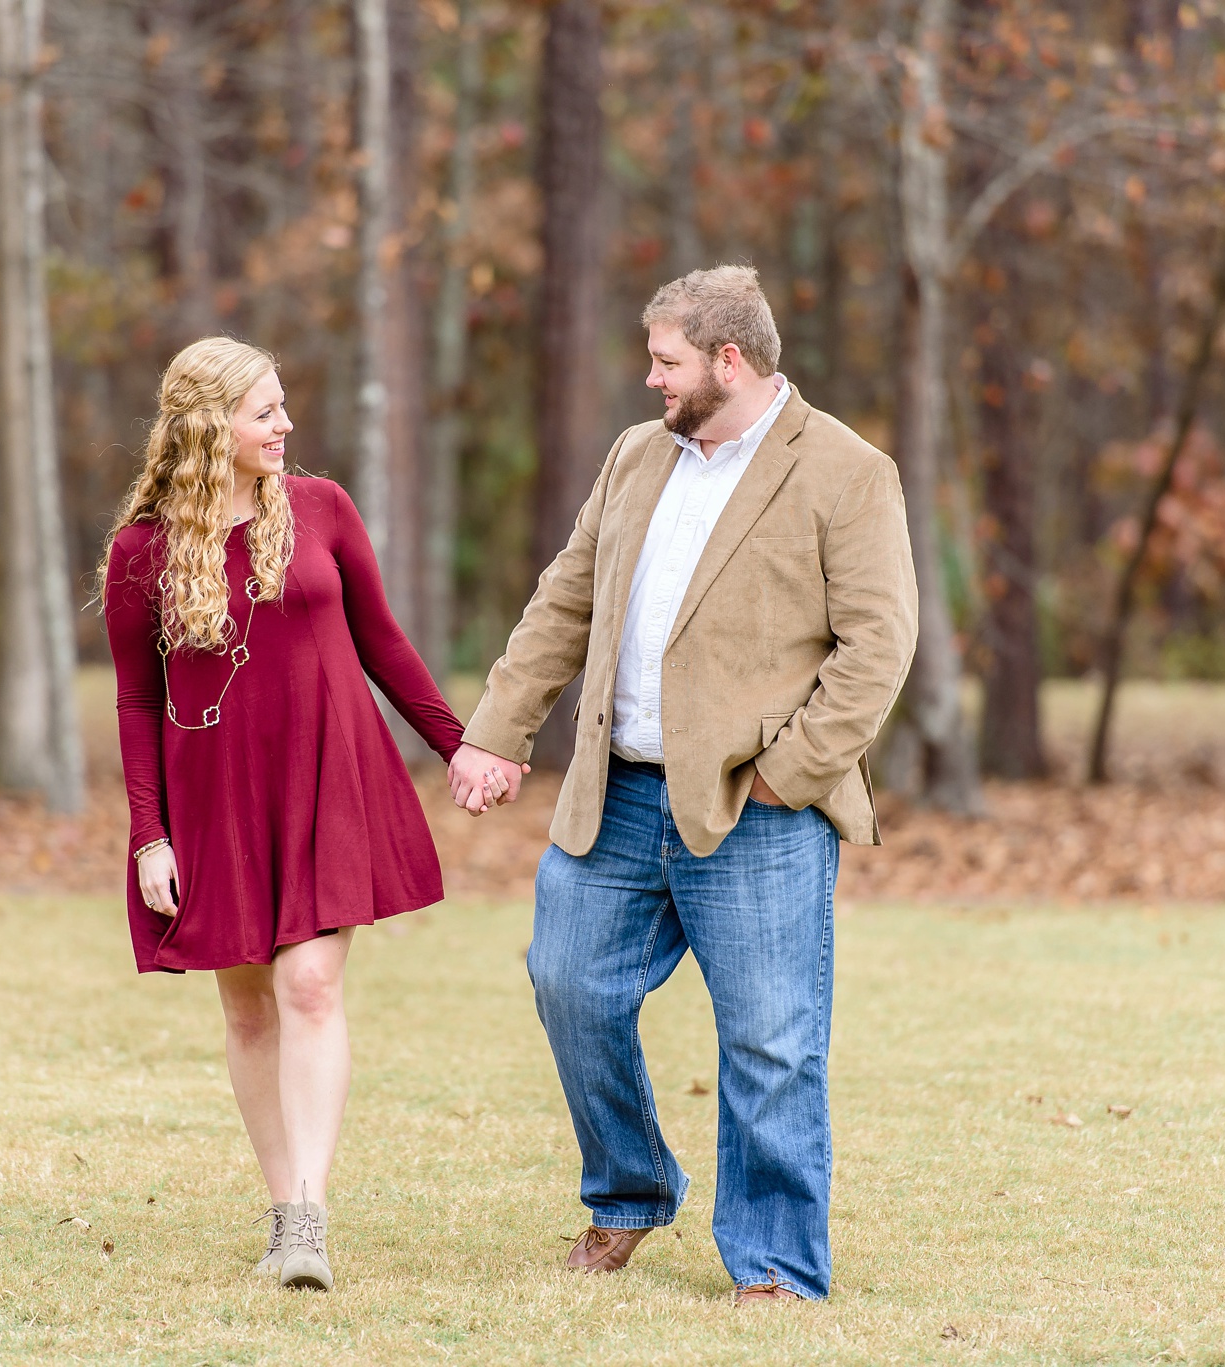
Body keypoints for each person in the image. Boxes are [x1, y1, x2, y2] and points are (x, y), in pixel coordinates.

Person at [447, 266, 918, 1303]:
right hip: (613, 795)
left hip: (757, 810)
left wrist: (785, 774)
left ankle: (775, 1263)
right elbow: (563, 598)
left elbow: (877, 648)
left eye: (666, 359)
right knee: (567, 981)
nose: (650, 376)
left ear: (729, 360)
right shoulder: (633, 455)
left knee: (768, 1037)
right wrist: (497, 729)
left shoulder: (844, 470)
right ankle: (628, 1190)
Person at [101, 337, 498, 1291]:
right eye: (265, 412)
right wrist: (150, 834)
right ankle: (283, 1209)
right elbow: (134, 701)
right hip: (216, 797)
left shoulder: (320, 510)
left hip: (327, 774)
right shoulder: (142, 550)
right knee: (246, 1008)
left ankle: (309, 1217)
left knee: (310, 985)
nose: (286, 426)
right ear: (209, 427)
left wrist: (459, 744)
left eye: (284, 407)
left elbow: (383, 642)